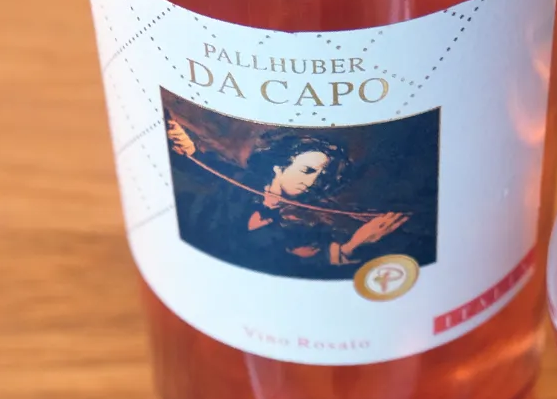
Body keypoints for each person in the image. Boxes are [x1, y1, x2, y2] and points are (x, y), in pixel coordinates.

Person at [166, 116, 409, 279]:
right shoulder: (238, 182)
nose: (312, 181)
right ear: (278, 167)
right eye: (307, 171)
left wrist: (354, 245)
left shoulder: (310, 223)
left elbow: (303, 268)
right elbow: (197, 164)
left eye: (320, 175)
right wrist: (186, 145)